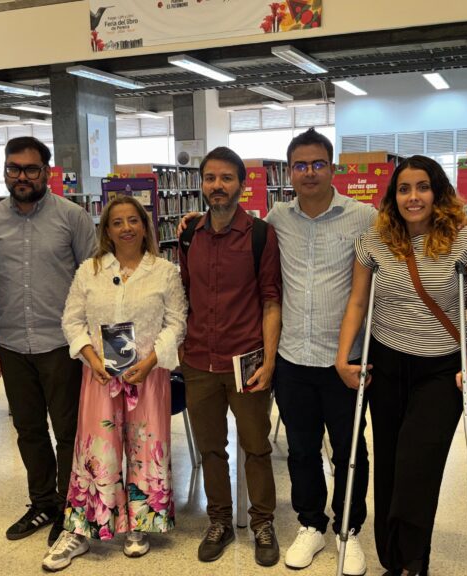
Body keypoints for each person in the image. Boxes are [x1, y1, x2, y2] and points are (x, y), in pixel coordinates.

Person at [337, 155, 467, 576]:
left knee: (417, 466)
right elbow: (357, 302)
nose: (413, 197)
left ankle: (412, 562)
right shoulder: (374, 242)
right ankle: (393, 558)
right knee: (389, 463)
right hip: (386, 363)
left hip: (441, 370)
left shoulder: (466, 242)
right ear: (393, 196)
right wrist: (343, 356)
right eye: (404, 189)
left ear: (438, 192)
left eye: (422, 187)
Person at [42, 196, 187, 572]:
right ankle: (83, 529)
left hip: (149, 377)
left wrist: (150, 362)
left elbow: (177, 323)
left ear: (145, 226)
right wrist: (91, 359)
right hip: (99, 376)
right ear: (106, 230)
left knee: (147, 449)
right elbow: (71, 320)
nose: (126, 228)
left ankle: (140, 524)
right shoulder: (89, 271)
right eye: (117, 222)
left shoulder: (164, 271)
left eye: (133, 220)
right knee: (96, 451)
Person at [0, 136, 96, 546]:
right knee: (28, 430)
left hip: (63, 344)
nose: (21, 176)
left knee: (68, 432)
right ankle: (42, 502)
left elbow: (93, 281)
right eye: (14, 168)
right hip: (11, 344)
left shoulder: (73, 217)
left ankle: (69, 507)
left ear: (46, 172)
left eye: (30, 168)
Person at [268, 128, 376, 574]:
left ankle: (349, 529)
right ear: (289, 171)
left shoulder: (364, 217)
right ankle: (311, 524)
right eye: (300, 165)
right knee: (301, 449)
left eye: (318, 164)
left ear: (333, 168)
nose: (309, 172)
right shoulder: (277, 217)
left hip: (345, 360)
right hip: (293, 358)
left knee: (350, 451)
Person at [180, 146, 283, 567]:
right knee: (211, 449)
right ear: (201, 184)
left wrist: (270, 361)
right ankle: (219, 521)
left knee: (256, 446)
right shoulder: (189, 234)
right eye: (210, 178)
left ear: (241, 184)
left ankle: (262, 522)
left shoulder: (260, 235)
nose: (217, 185)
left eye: (226, 178)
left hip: (247, 361)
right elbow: (184, 293)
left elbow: (271, 300)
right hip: (198, 362)